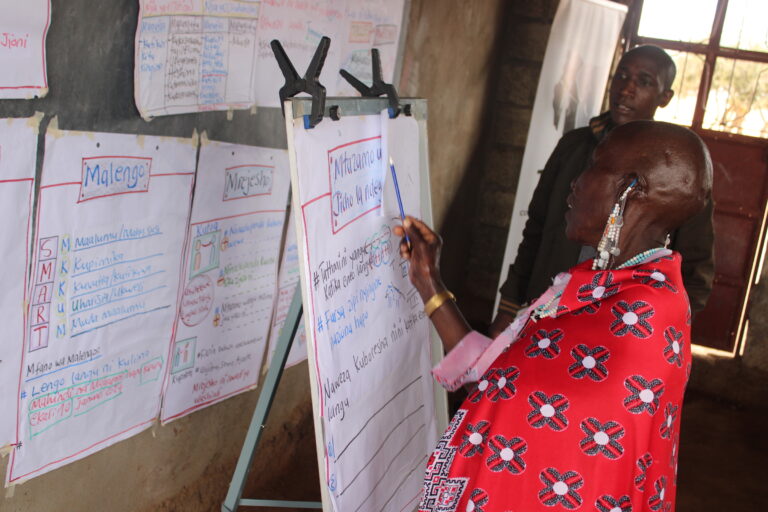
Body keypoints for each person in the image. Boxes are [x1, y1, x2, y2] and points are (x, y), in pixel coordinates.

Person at [395, 120, 712, 512]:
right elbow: (498, 371)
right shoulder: (599, 288)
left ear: (630, 189)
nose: (575, 183)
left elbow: (554, 441)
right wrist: (429, 281)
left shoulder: (643, 320)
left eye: (593, 167)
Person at [491, 45, 714, 338]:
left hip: (611, 332)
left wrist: (654, 331)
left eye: (644, 81)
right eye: (621, 76)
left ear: (665, 97)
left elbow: (696, 274)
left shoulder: (674, 171)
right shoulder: (574, 145)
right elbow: (536, 228)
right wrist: (509, 304)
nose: (627, 89)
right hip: (544, 310)